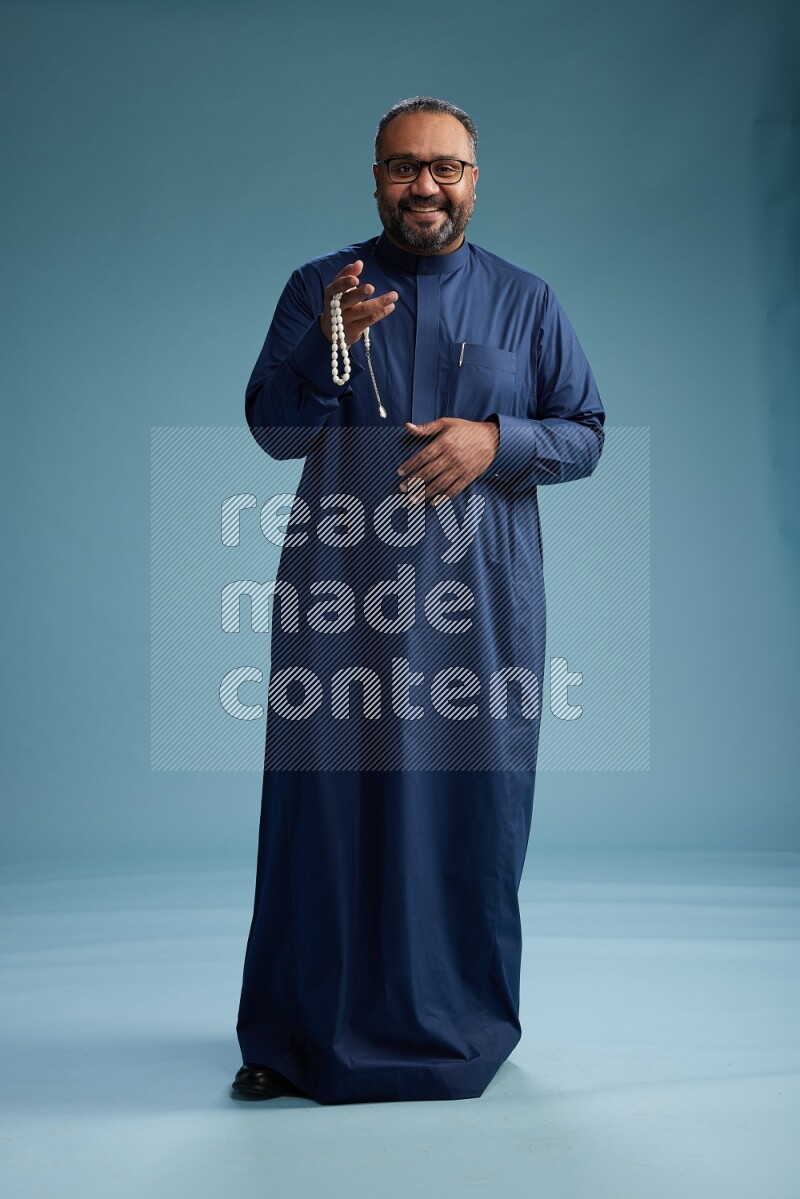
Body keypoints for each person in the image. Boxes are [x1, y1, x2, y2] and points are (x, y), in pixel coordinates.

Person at [233, 97, 605, 1105]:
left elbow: (584, 431)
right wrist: (325, 346)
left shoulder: (526, 301)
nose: (425, 186)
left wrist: (499, 440)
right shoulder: (321, 287)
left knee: (468, 807)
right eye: (404, 167)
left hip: (479, 606)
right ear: (376, 179)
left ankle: (458, 1025)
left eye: (445, 167)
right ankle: (293, 1034)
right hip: (340, 598)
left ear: (474, 180)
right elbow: (273, 429)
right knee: (325, 808)